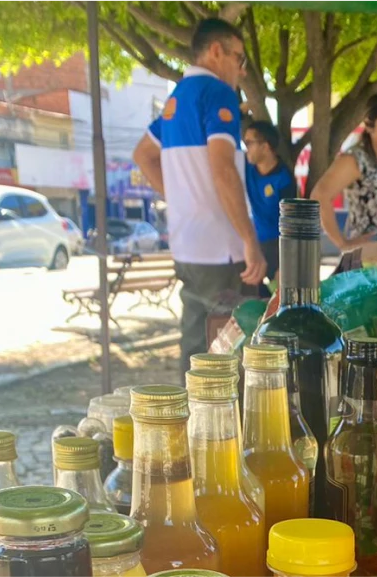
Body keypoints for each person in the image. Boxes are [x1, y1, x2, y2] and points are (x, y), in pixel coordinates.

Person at [131, 18, 266, 377]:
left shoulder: (176, 100)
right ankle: (224, 430)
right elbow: (223, 169)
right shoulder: (218, 93)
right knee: (233, 352)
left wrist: (179, 197)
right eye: (238, 58)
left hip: (188, 244)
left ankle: (188, 424)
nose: (241, 69)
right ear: (216, 51)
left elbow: (143, 154)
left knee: (195, 346)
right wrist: (249, 239)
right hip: (220, 247)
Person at [311, 92, 377, 250]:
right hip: (367, 257)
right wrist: (342, 243)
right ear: (369, 125)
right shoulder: (355, 159)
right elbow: (320, 195)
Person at [243, 117, 297, 297]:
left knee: (278, 300)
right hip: (253, 244)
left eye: (249, 143)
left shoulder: (284, 179)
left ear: (265, 146)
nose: (246, 147)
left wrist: (284, 265)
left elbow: (291, 224)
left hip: (278, 246)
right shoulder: (247, 167)